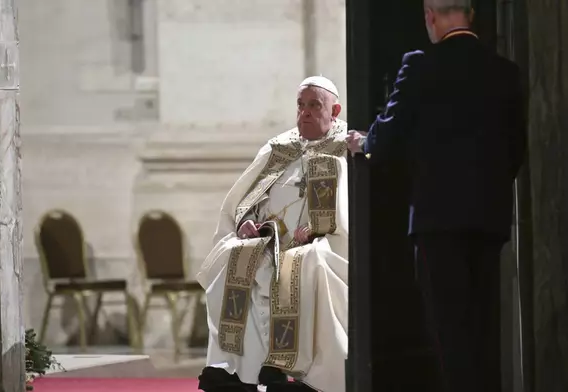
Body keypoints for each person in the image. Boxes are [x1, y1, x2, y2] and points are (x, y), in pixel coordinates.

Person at [347, 1, 526, 391]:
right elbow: (516, 151)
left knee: (450, 332)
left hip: (437, 219)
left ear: (430, 17)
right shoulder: (505, 72)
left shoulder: (420, 64)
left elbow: (389, 135)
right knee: (483, 328)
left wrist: (365, 143)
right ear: (471, 14)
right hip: (488, 219)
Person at [197, 76, 349, 392]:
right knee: (232, 256)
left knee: (308, 264)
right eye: (300, 105)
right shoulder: (280, 148)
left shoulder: (343, 148)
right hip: (269, 241)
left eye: (314, 105)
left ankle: (304, 375)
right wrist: (245, 224)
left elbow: (347, 214)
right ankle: (238, 372)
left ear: (333, 110)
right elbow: (246, 200)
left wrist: (319, 230)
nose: (305, 113)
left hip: (320, 243)